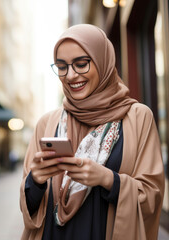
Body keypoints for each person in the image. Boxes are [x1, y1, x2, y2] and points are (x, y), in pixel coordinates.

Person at [20, 24, 165, 240]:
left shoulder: (137, 117)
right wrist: (36, 180)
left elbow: (152, 197)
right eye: (62, 66)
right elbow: (29, 207)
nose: (70, 75)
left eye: (81, 64)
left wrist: (107, 179)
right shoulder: (47, 123)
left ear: (102, 62)